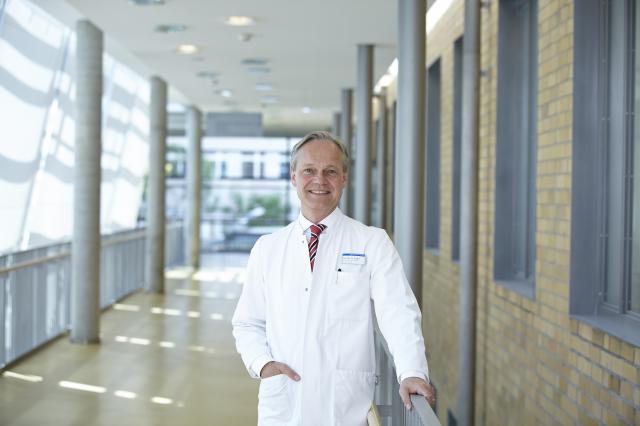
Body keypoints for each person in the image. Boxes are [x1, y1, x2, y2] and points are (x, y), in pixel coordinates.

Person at [232, 131, 435, 425]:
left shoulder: (372, 242)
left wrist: (412, 372)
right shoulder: (267, 248)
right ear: (293, 177)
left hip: (345, 406)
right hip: (284, 403)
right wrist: (263, 364)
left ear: (344, 178)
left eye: (330, 171)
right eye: (309, 171)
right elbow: (247, 322)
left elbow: (398, 312)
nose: (319, 180)